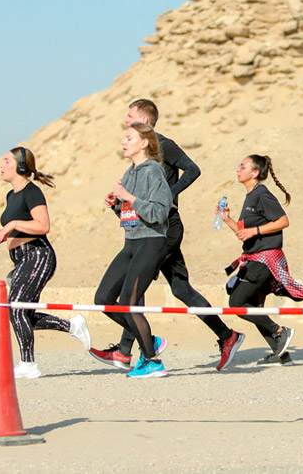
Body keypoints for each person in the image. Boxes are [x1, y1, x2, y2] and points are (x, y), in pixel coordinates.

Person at [90, 99, 245, 371]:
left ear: (145, 123)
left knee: (134, 289)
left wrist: (168, 196)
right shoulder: (134, 167)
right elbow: (131, 208)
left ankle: (137, 351)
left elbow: (193, 170)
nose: (125, 122)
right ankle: (225, 335)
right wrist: (119, 204)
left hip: (164, 226)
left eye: (130, 118)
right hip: (143, 227)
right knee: (178, 288)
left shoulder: (163, 147)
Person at [0, 146, 91, 379]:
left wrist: (13, 225)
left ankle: (28, 364)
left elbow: (42, 225)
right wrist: (2, 234)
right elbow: (19, 226)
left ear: (20, 166)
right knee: (21, 313)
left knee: (16, 307)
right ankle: (73, 326)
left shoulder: (32, 192)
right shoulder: (11, 195)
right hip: (21, 258)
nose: (1, 165)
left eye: (6, 161)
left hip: (38, 256)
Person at [218, 154, 303, 365]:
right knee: (254, 305)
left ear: (254, 173)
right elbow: (244, 233)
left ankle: (280, 332)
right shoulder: (250, 196)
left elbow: (283, 221)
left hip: (265, 259)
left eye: (242, 166)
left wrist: (254, 230)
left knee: (237, 302)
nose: (238, 169)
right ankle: (280, 353)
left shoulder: (262, 193)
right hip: (255, 257)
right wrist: (227, 219)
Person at [94, 123, 174, 378]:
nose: (123, 142)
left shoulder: (154, 172)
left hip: (151, 242)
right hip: (131, 241)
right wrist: (115, 205)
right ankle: (148, 338)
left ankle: (153, 361)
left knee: (129, 302)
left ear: (144, 143)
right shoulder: (129, 173)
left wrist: (128, 197)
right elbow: (131, 215)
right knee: (104, 299)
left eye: (128, 138)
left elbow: (159, 213)